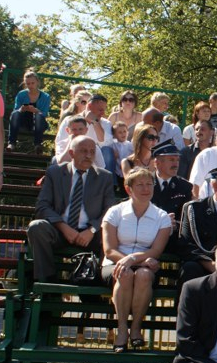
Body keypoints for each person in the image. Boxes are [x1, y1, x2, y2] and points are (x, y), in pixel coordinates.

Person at [27, 136, 116, 282]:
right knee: (37, 227)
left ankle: (98, 283)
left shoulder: (104, 177)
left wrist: (92, 230)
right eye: (83, 151)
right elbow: (42, 206)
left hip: (91, 234)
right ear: (71, 153)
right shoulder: (55, 172)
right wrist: (63, 227)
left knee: (110, 234)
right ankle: (47, 283)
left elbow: (110, 210)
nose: (88, 155)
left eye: (92, 152)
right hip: (60, 230)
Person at [102, 168, 171, 352]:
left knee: (143, 276)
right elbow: (109, 250)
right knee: (124, 274)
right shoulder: (114, 212)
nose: (146, 189)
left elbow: (156, 251)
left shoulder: (162, 217)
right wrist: (130, 261)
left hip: (146, 266)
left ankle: (136, 328)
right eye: (140, 185)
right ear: (128, 189)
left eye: (149, 184)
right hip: (115, 264)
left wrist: (133, 260)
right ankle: (122, 329)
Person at [151, 139, 193, 253]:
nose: (176, 164)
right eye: (171, 160)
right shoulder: (144, 182)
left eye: (177, 160)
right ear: (157, 163)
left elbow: (187, 220)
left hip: (172, 240)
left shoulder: (185, 187)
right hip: (146, 236)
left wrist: (175, 224)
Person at [8, 70, 51, 153]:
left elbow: (45, 114)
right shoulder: (21, 94)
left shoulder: (45, 96)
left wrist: (36, 111)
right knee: (15, 114)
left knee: (39, 116)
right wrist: (21, 109)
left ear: (37, 82)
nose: (30, 86)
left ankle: (38, 144)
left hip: (38, 123)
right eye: (28, 84)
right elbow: (15, 110)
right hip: (23, 121)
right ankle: (11, 143)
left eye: (32, 83)